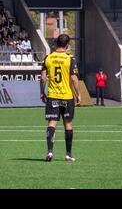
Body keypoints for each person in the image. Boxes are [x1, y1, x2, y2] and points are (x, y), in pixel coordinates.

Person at [40, 34, 81, 162]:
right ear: (67, 45)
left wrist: (42, 92)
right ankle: (68, 154)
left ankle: (50, 152)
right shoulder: (70, 59)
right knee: (67, 123)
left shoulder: (48, 58)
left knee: (52, 123)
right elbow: (74, 78)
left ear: (57, 43)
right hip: (67, 96)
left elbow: (43, 78)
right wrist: (78, 94)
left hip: (52, 96)